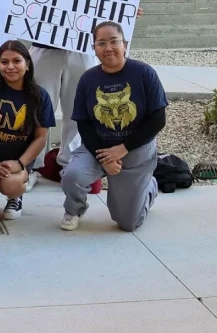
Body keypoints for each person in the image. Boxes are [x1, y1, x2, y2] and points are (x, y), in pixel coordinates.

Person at [8, 0, 144, 182]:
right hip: (44, 46)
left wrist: (126, 11)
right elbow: (23, 3)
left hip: (81, 49)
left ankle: (69, 163)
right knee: (38, 107)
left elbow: (105, 11)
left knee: (77, 108)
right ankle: (31, 167)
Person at [60, 21, 167, 232]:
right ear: (94, 49)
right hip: (99, 147)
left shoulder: (144, 73)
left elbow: (158, 119)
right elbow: (83, 123)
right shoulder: (88, 79)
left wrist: (124, 148)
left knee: (127, 223)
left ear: (124, 44)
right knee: (72, 175)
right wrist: (105, 158)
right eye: (101, 43)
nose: (108, 48)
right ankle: (74, 210)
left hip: (136, 147)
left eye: (113, 41)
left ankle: (149, 187)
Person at [0, 41, 54, 220]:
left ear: (27, 64)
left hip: (17, 160)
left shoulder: (40, 96)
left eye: (17, 61)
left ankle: (15, 196)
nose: (10, 67)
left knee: (10, 184)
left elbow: (41, 138)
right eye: (4, 62)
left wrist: (20, 164)